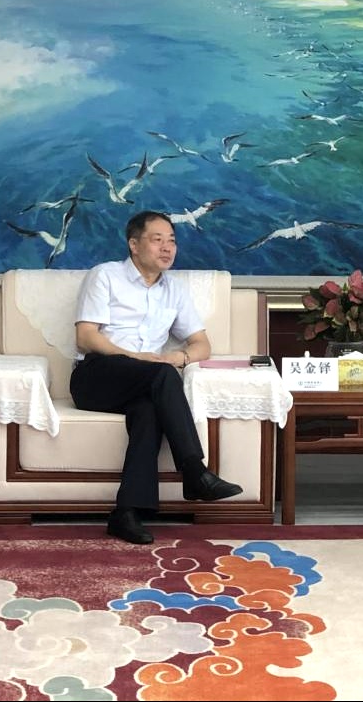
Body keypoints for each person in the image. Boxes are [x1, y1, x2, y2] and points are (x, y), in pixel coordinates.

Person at [70, 210, 243, 544]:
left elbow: (202, 344)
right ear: (134, 245)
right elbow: (86, 337)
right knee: (162, 375)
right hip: (96, 376)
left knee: (149, 410)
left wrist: (178, 357)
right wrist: (138, 358)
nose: (167, 248)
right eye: (157, 239)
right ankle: (194, 472)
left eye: (172, 241)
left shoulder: (173, 289)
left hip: (144, 380)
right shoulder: (105, 275)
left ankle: (126, 513)